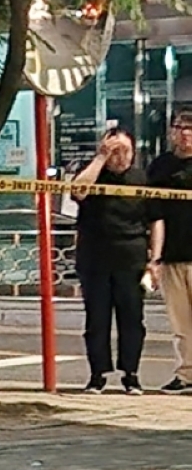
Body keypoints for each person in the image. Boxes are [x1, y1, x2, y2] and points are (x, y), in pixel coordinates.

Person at [70, 128, 148, 394]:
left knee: (132, 319)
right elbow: (78, 191)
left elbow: (155, 219)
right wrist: (100, 158)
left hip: (131, 258)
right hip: (95, 258)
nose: (121, 157)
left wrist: (154, 260)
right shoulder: (93, 172)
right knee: (97, 320)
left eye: (126, 151)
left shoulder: (141, 178)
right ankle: (97, 374)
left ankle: (131, 374)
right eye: (116, 151)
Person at [147, 107, 192, 393]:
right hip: (173, 255)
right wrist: (154, 257)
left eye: (191, 128)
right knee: (181, 321)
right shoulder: (160, 166)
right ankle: (187, 374)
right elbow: (154, 214)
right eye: (180, 127)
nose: (186, 134)